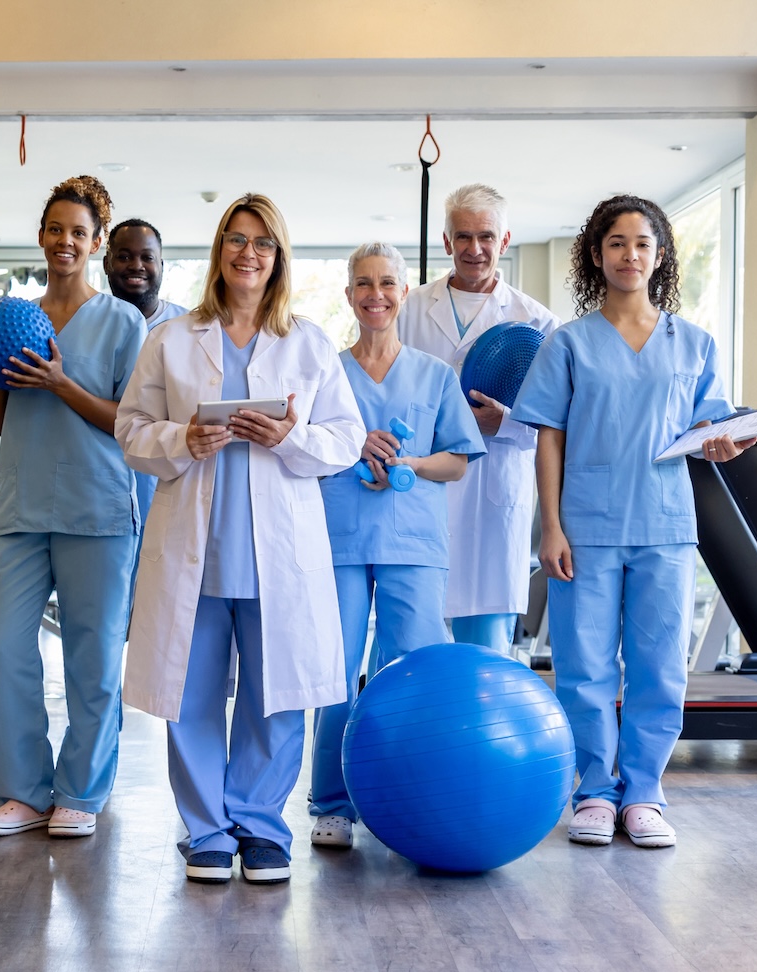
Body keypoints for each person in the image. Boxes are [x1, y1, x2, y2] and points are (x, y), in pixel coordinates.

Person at [117, 193, 366, 884]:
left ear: (278, 256)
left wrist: (291, 437)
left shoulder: (308, 343)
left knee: (274, 695)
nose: (247, 252)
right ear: (220, 250)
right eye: (236, 238)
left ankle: (259, 826)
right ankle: (206, 832)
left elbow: (343, 440)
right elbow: (132, 429)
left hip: (276, 556)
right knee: (190, 696)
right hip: (196, 554)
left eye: (262, 242)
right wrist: (182, 437)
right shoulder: (171, 339)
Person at [510, 194, 750, 850]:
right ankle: (593, 790)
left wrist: (721, 440)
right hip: (585, 526)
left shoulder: (694, 343)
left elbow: (708, 427)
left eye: (642, 243)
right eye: (616, 243)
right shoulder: (569, 342)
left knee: (658, 665)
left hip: (665, 524)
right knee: (585, 664)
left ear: (660, 255)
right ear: (597, 255)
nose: (630, 254)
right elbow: (549, 437)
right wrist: (551, 527)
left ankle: (643, 791)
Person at [0, 175, 146, 840]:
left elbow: (130, 423)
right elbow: (4, 415)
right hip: (19, 508)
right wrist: (7, 380)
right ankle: (23, 790)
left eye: (79, 232)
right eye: (55, 230)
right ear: (40, 237)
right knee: (9, 651)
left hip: (98, 514)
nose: (64, 242)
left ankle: (80, 792)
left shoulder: (123, 323)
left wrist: (61, 382)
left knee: (93, 660)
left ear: (97, 243)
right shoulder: (11, 318)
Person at [307, 243, 485, 849]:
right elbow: (309, 450)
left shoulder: (435, 375)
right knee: (335, 672)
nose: (375, 294)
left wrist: (404, 460)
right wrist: (355, 448)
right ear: (349, 294)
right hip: (342, 538)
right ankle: (330, 801)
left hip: (413, 539)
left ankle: (408, 793)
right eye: (363, 283)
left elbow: (457, 461)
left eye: (387, 283)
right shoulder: (326, 372)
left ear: (404, 292)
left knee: (412, 672)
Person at [399, 184, 560, 653]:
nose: (475, 249)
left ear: (504, 241)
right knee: (414, 642)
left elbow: (556, 422)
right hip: (424, 489)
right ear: (446, 242)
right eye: (463, 237)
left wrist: (502, 423)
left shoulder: (538, 322)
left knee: (488, 654)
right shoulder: (407, 310)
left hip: (494, 493)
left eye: (486, 236)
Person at [105, 218, 189, 533]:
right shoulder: (89, 325)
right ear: (106, 263)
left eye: (147, 257)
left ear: (161, 265)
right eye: (124, 256)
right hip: (99, 487)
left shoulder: (190, 329)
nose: (136, 265)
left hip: (168, 487)